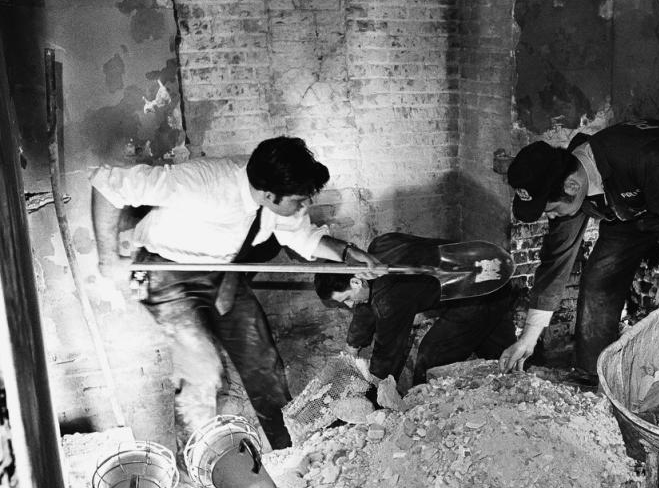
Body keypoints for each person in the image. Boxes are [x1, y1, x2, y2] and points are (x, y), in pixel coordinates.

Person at [90, 136, 384, 451]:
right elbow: (107, 183)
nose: (305, 206)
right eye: (299, 200)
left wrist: (346, 252)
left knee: (262, 360)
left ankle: (287, 452)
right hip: (161, 268)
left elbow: (303, 238)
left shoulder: (279, 194)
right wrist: (108, 258)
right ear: (270, 194)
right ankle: (200, 461)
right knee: (201, 367)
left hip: (221, 268)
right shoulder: (201, 181)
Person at [498, 118, 659, 383]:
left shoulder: (648, 160)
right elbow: (556, 260)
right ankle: (592, 374)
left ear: (572, 187)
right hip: (629, 203)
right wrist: (528, 338)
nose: (551, 217)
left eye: (550, 210)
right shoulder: (564, 179)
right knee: (599, 279)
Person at [314, 232, 516, 391]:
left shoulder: (390, 300)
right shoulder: (380, 246)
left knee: (432, 355)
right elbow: (368, 301)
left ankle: (423, 406)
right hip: (489, 275)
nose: (350, 305)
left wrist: (375, 387)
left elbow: (389, 351)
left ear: (356, 281)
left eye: (347, 299)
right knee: (501, 355)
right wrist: (353, 345)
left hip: (480, 293)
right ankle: (519, 379)